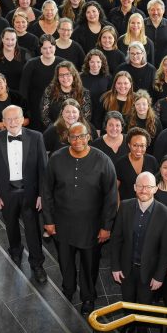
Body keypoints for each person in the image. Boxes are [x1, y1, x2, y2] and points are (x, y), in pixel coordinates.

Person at [42, 122, 118, 314]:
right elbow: (47, 192)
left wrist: (106, 226)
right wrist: (48, 221)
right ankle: (67, 290)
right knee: (65, 262)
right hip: (62, 224)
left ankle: (88, 297)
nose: (77, 141)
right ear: (68, 138)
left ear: (88, 136)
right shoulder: (56, 159)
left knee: (89, 265)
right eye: (73, 137)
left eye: (81, 136)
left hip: (91, 226)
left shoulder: (103, 160)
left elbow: (111, 196)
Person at [111, 171, 167, 333]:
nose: (144, 189)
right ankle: (129, 324)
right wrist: (115, 266)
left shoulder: (166, 213)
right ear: (134, 188)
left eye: (148, 186)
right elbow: (116, 239)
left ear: (155, 189)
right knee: (128, 300)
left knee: (144, 305)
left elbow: (165, 250)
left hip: (150, 272)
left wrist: (160, 276)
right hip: (126, 268)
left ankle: (142, 332)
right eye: (140, 186)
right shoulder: (125, 206)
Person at [0, 105, 48, 283]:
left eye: (16, 118)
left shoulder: (36, 137)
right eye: (8, 119)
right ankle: (15, 250)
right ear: (3, 121)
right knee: (10, 224)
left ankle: (37, 264)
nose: (13, 122)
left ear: (22, 119)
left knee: (33, 230)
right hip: (6, 193)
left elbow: (43, 169)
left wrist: (41, 195)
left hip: (29, 192)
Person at [19, 34, 59, 132]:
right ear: (40, 49)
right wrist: (24, 111)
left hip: (56, 105)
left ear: (55, 47)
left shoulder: (62, 63)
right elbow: (23, 88)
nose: (48, 51)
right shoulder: (31, 64)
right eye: (44, 48)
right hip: (35, 107)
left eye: (50, 47)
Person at [40, 60, 92, 127]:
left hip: (77, 132)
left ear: (73, 75)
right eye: (61, 75)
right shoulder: (50, 91)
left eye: (68, 74)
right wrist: (55, 129)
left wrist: (73, 130)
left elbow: (86, 118)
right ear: (57, 77)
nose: (65, 78)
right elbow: (44, 116)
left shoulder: (84, 93)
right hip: (55, 130)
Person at [115, 127, 159, 202]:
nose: (139, 149)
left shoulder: (152, 161)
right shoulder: (120, 163)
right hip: (127, 207)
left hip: (148, 206)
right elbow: (115, 189)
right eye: (135, 145)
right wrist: (119, 207)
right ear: (129, 145)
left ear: (146, 146)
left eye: (142, 146)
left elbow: (157, 186)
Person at [0, 27, 31, 92]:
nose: (10, 42)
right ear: (2, 39)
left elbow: (31, 76)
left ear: (16, 40)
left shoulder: (25, 54)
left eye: (12, 39)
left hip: (21, 93)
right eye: (7, 39)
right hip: (2, 93)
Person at [80, 49, 111, 128]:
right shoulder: (80, 77)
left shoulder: (108, 78)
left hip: (101, 116)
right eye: (92, 62)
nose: (95, 65)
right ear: (88, 63)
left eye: (98, 62)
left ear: (102, 63)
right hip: (84, 116)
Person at [145, 0, 167, 67]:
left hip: (166, 66)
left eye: (158, 9)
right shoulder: (141, 25)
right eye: (152, 10)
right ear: (148, 11)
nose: (155, 12)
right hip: (145, 64)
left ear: (163, 10)